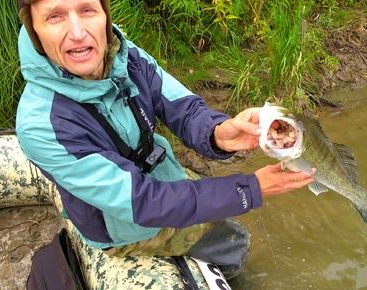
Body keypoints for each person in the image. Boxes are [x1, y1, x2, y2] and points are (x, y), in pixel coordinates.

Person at [16, 0, 315, 281]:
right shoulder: (41, 125)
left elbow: (183, 109)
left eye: (87, 10)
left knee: (221, 207)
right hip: (123, 222)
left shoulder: (126, 56)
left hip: (160, 177)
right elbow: (143, 202)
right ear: (34, 29)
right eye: (55, 16)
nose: (78, 33)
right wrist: (251, 189)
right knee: (233, 240)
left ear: (105, 15)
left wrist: (219, 132)